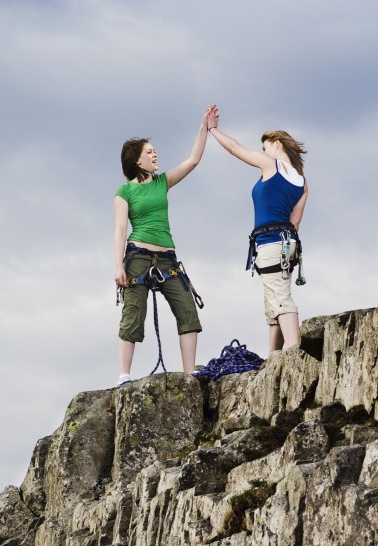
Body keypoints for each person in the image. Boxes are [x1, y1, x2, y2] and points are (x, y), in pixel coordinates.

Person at [113, 106, 215, 386]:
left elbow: (193, 160)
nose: (155, 154)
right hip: (138, 257)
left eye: (154, 150)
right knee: (133, 313)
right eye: (149, 152)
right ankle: (124, 376)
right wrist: (118, 266)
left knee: (187, 310)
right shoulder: (125, 191)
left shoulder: (162, 182)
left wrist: (204, 127)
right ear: (136, 160)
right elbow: (120, 229)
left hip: (167, 259)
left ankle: (189, 373)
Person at [207, 107, 308, 357]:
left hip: (270, 242)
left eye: (264, 147)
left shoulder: (271, 165)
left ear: (275, 144)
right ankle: (273, 356)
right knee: (273, 299)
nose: (262, 151)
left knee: (280, 297)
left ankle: (293, 350)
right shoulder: (302, 181)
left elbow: (235, 148)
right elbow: (295, 223)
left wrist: (213, 130)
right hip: (286, 243)